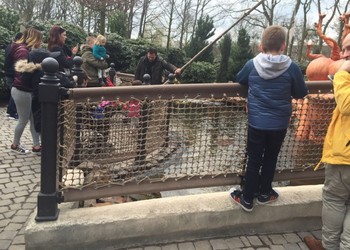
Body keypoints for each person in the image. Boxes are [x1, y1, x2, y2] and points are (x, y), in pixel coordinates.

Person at [229, 25, 308, 212]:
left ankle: (247, 199)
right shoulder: (292, 67)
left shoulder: (252, 64)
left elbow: (240, 79)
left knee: (254, 159)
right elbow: (300, 93)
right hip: (280, 123)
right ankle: (265, 193)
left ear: (261, 46)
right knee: (271, 158)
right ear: (283, 45)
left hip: (256, 122)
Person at [303, 33, 350, 250]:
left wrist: (341, 76)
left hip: (345, 157)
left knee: (334, 198)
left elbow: (347, 106)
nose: (346, 55)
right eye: (345, 49)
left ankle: (332, 247)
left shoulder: (343, 76)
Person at [10, 28, 43, 154]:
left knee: (32, 119)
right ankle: (15, 144)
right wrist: (39, 66)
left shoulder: (23, 49)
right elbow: (22, 71)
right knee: (23, 119)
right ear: (34, 39)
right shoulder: (23, 51)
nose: (41, 43)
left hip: (22, 89)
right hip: (22, 90)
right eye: (39, 40)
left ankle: (36, 146)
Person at [5, 32, 22, 120]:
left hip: (9, 73)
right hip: (12, 73)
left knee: (13, 93)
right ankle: (12, 112)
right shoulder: (15, 48)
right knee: (14, 94)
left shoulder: (10, 46)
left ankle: (10, 111)